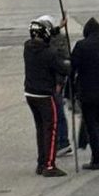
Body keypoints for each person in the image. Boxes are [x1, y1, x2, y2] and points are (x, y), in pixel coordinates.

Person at [24, 18, 70, 177]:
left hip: (30, 94)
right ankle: (49, 165)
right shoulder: (49, 54)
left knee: (40, 129)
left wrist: (57, 28)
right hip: (45, 95)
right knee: (50, 129)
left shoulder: (27, 48)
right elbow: (64, 69)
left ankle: (41, 162)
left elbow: (46, 37)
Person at [71, 18, 99, 170]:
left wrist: (70, 89)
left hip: (87, 92)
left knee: (91, 124)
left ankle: (97, 157)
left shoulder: (81, 46)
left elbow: (72, 68)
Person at [38, 15, 72, 158]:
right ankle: (58, 142)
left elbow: (63, 63)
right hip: (48, 82)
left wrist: (59, 82)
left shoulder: (57, 42)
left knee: (57, 113)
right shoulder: (53, 38)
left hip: (55, 83)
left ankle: (62, 142)